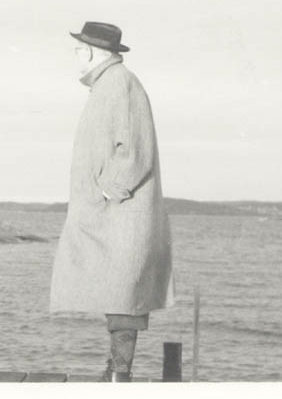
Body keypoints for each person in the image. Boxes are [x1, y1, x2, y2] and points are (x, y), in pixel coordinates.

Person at [50, 22, 174, 382]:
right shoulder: (109, 84)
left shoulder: (119, 82)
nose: (76, 56)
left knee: (124, 296)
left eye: (78, 49)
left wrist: (109, 189)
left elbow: (135, 148)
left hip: (120, 211)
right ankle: (116, 373)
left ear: (90, 51)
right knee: (118, 293)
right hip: (109, 212)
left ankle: (119, 377)